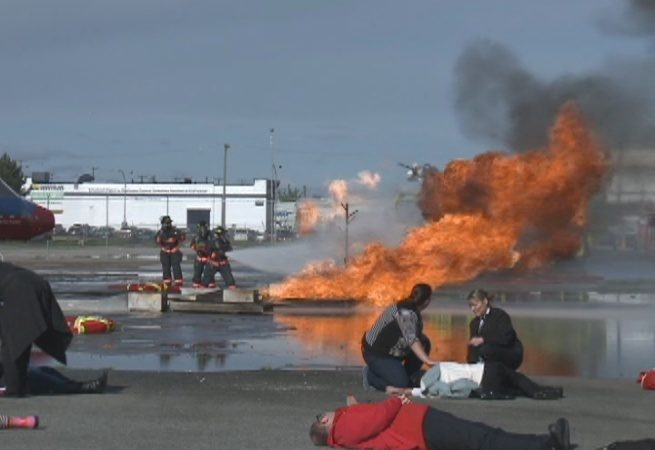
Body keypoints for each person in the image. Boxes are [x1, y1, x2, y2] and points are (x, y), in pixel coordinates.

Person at [309, 394, 575, 450]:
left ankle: (544, 443)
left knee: (482, 437)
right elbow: (377, 419)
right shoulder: (342, 428)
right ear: (324, 421)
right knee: (482, 439)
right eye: (326, 414)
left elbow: (366, 425)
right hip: (421, 428)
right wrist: (396, 399)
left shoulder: (344, 429)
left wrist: (354, 407)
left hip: (421, 426)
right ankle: (547, 443)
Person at [0, 262, 73, 397]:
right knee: (20, 339)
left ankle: (14, 390)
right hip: (33, 282)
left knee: (12, 341)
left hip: (19, 288)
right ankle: (17, 387)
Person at [362, 283, 437, 392]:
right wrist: (428, 361)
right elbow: (412, 339)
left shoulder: (413, 310)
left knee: (424, 343)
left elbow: (415, 336)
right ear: (427, 302)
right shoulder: (405, 311)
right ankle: (370, 376)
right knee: (401, 384)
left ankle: (405, 375)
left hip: (394, 350)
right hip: (376, 352)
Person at [389, 360, 563, 400]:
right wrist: (407, 391)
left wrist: (475, 390)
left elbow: (445, 389)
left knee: (509, 390)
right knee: (517, 379)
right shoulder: (440, 366)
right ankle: (544, 390)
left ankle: (535, 392)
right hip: (488, 367)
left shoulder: (427, 382)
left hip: (483, 380)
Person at [467, 288, 523, 370]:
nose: (473, 309)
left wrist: (483, 340)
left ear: (485, 301)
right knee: (475, 350)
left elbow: (507, 339)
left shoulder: (500, 316)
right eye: (470, 306)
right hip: (488, 355)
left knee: (486, 350)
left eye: (475, 305)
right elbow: (473, 348)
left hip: (509, 353)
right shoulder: (474, 323)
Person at [1, 365, 108, 395]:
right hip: (7, 382)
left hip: (7, 375)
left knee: (46, 370)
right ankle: (86, 387)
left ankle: (75, 385)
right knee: (35, 375)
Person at [154, 215, 185, 287]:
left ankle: (178, 282)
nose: (167, 225)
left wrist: (176, 245)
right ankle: (167, 283)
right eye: (166, 223)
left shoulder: (175, 231)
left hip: (174, 251)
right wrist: (161, 244)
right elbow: (157, 240)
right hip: (165, 252)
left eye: (169, 223)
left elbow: (182, 237)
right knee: (166, 267)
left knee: (176, 266)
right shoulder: (160, 232)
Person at [190, 221, 212, 288]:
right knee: (197, 271)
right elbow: (192, 245)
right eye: (201, 228)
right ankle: (196, 283)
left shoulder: (211, 236)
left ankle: (210, 282)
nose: (203, 229)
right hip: (199, 257)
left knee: (209, 271)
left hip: (208, 257)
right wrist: (197, 248)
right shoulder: (196, 237)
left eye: (204, 227)